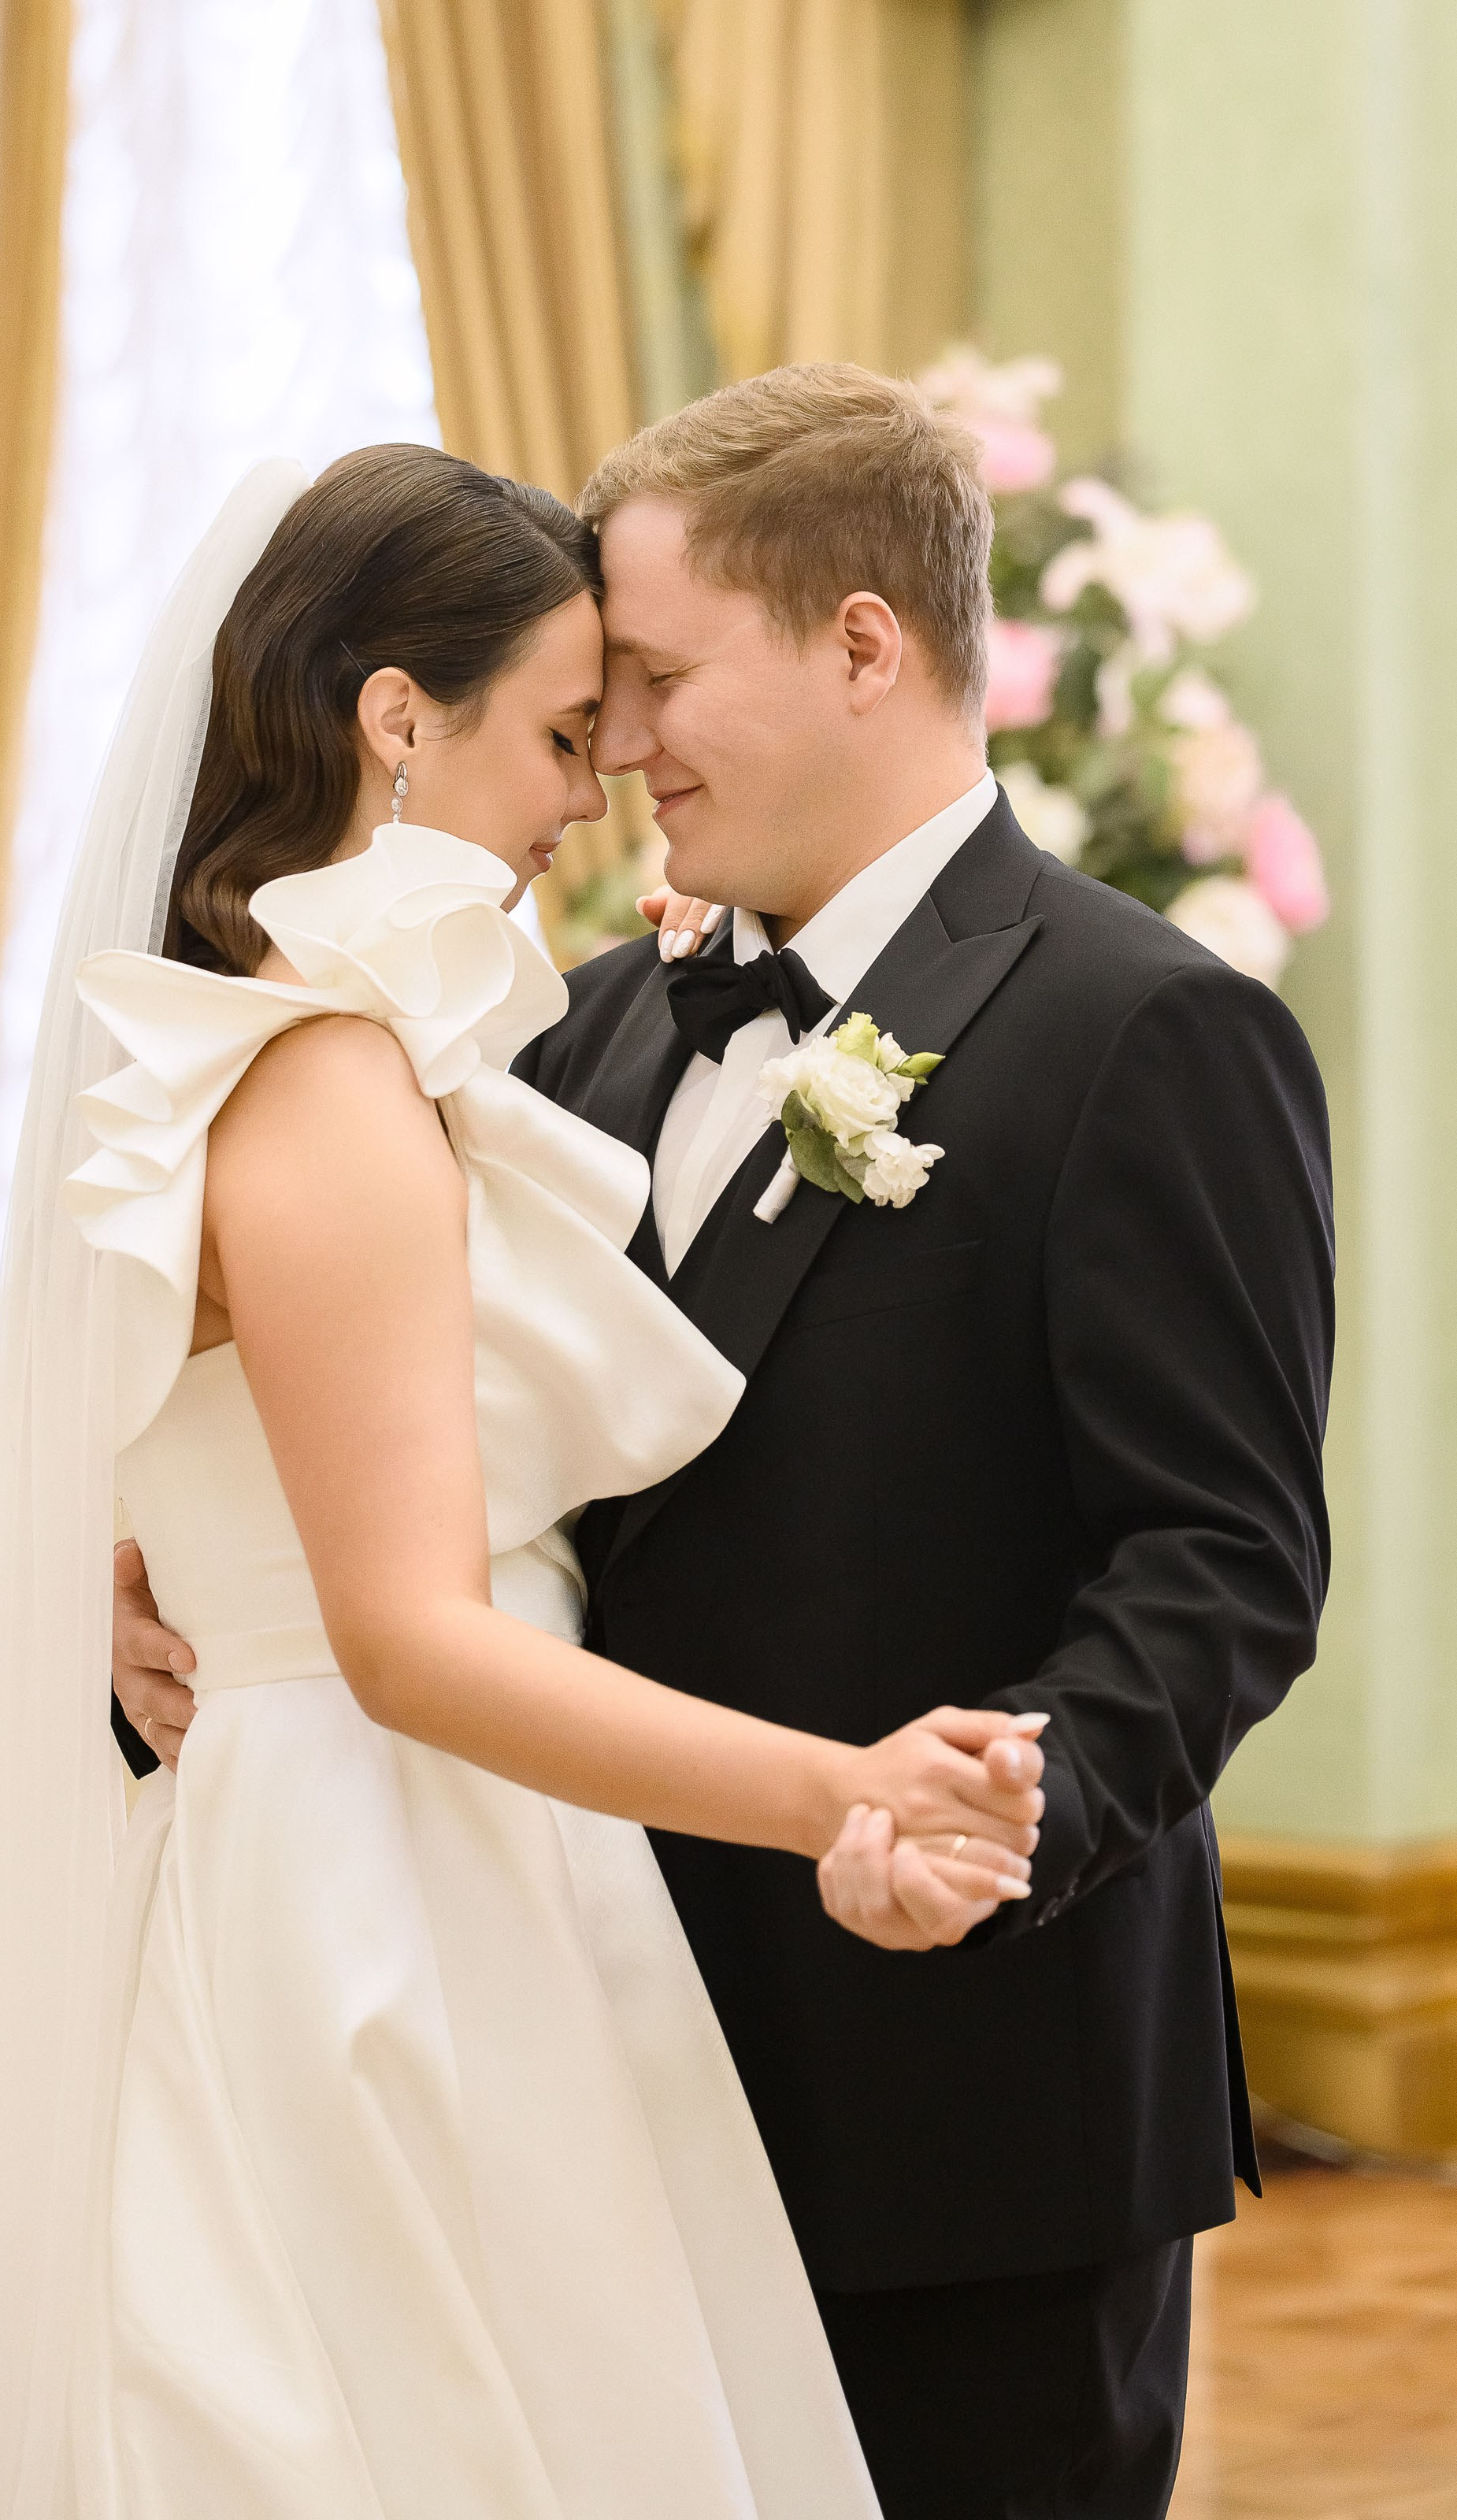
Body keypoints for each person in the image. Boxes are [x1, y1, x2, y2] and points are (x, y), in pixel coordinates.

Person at [118, 365, 1334, 2518]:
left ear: (862, 643)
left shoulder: (1142, 1028)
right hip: (580, 2060)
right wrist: (165, 1601)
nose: (614, 753)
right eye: (589, 708)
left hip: (963, 2098)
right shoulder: (562, 1029)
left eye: (658, 681)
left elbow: (1218, 1562)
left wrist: (985, 1824)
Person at [0, 443, 1051, 2518]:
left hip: (370, 1845)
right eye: (551, 731)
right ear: (394, 718)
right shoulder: (327, 1080)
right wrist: (848, 1789)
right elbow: (415, 1643)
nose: (592, 787)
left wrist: (142, 1540)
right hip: (391, 1879)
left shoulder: (232, 1043)